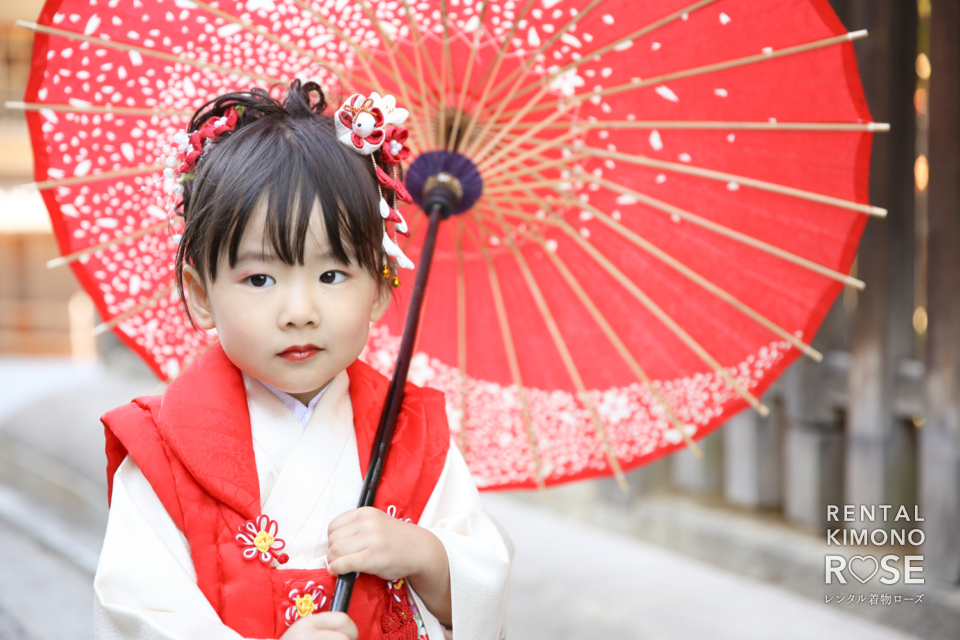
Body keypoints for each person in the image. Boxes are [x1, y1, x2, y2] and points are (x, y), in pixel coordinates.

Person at [94, 80, 513, 640]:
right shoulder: (161, 450)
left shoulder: (413, 435)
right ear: (199, 291)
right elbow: (139, 611)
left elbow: (480, 591)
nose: (299, 311)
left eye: (332, 274)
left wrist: (426, 555)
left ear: (381, 287)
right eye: (260, 277)